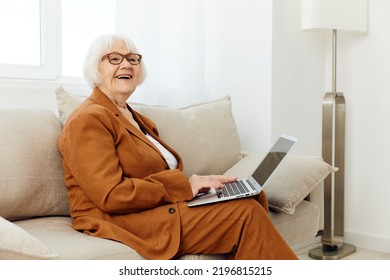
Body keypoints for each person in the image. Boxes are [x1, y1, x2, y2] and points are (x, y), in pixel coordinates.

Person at [57, 34, 298, 260]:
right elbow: (111, 195)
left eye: (133, 59)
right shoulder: (88, 119)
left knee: (253, 195)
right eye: (114, 59)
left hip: (155, 207)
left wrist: (202, 187)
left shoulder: (137, 118)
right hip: (121, 218)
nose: (127, 65)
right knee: (244, 213)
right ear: (95, 68)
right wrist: (185, 186)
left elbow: (155, 176)